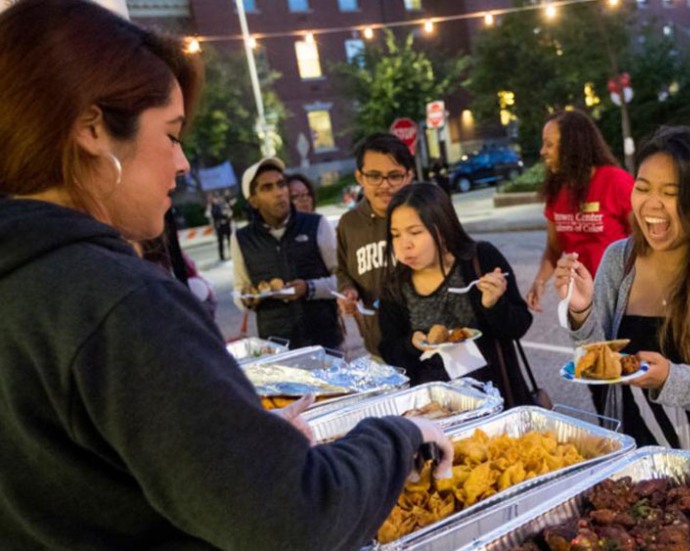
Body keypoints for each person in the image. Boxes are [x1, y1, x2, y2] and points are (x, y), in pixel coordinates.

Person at [0, 2, 453, 549]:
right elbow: (293, 518)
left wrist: (242, 450)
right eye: (170, 135)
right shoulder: (117, 302)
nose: (183, 162)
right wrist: (398, 436)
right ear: (92, 129)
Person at [555, 127, 690, 456]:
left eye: (671, 192)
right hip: (634, 462)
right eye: (642, 188)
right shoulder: (619, 259)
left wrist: (671, 378)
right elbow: (597, 363)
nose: (651, 204)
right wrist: (581, 310)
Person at [378, 183, 534, 407]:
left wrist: (493, 305)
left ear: (441, 229)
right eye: (395, 235)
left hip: (498, 400)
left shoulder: (480, 259)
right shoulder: (394, 285)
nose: (405, 245)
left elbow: (519, 326)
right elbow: (389, 350)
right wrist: (410, 345)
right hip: (437, 410)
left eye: (415, 232)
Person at [526, 109, 634, 313]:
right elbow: (554, 248)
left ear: (572, 147)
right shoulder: (556, 190)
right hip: (581, 300)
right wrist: (540, 281)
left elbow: (642, 241)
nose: (542, 151)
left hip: (622, 297)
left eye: (549, 144)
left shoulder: (615, 181)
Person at [231, 157, 344, 349]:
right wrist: (248, 298)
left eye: (281, 184)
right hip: (278, 347)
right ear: (253, 201)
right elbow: (240, 289)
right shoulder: (241, 239)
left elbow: (343, 279)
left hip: (324, 341)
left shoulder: (316, 224)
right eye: (267, 188)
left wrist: (309, 288)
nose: (278, 193)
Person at [335, 133, 415, 357]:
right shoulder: (349, 224)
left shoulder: (426, 214)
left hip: (428, 345)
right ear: (360, 177)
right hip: (379, 348)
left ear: (409, 176)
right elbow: (342, 270)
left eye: (394, 176)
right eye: (374, 176)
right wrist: (347, 292)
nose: (385, 185)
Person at [209, 191, 233, 260]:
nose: (217, 200)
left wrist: (227, 215)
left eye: (218, 198)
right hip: (219, 226)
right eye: (216, 198)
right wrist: (223, 214)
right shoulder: (213, 207)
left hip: (226, 225)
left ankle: (232, 254)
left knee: (230, 241)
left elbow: (229, 213)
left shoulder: (224, 205)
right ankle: (222, 256)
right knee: (221, 242)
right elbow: (215, 215)